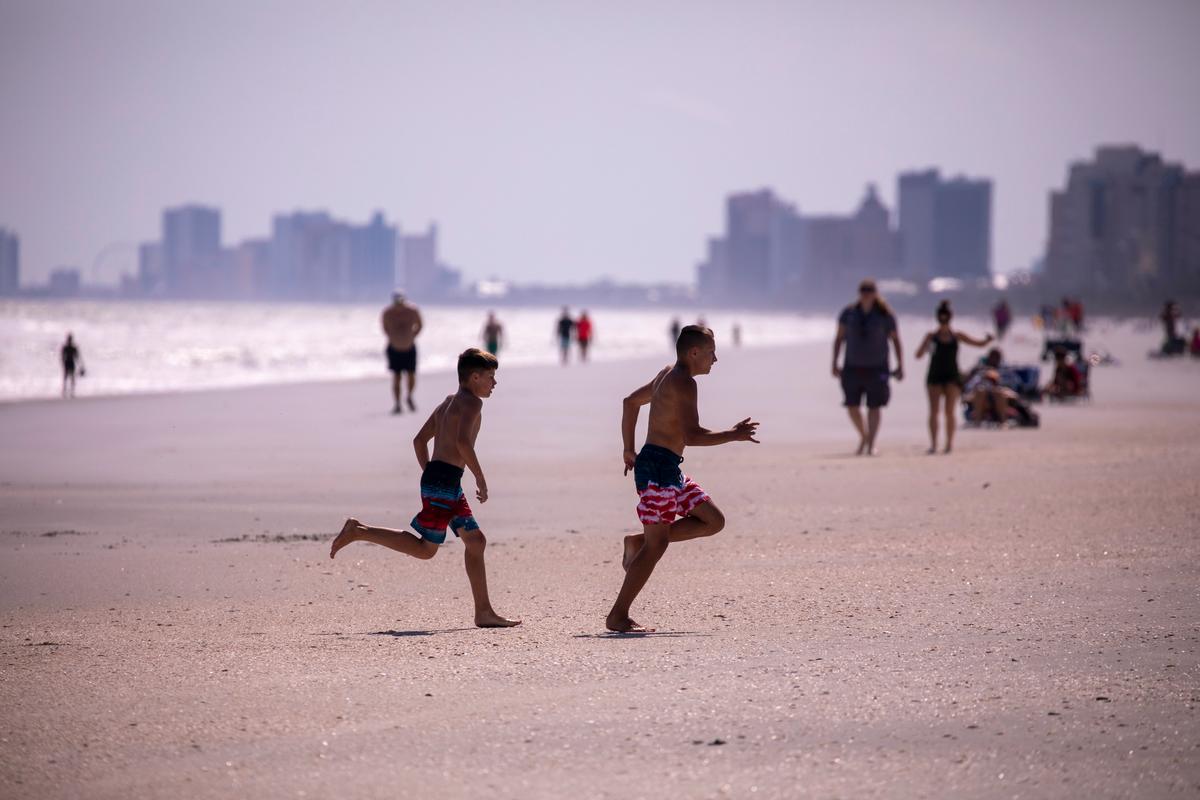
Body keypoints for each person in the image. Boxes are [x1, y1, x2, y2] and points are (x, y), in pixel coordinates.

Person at [330, 349, 520, 629]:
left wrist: (431, 475)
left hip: (443, 481)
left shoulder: (447, 403)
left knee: (476, 542)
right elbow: (462, 443)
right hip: (445, 482)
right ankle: (359, 531)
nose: (494, 383)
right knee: (426, 549)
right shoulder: (472, 404)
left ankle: (484, 613)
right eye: (490, 377)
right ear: (475, 377)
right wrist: (479, 477)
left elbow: (419, 441)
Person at [605, 325, 759, 633]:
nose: (715, 359)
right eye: (712, 353)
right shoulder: (684, 383)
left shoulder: (666, 374)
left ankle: (638, 541)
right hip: (657, 468)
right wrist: (733, 435)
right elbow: (692, 435)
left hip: (668, 466)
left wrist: (628, 449)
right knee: (658, 545)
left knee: (713, 520)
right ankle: (617, 615)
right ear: (694, 353)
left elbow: (629, 402)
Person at [832, 279, 903, 456]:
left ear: (875, 292)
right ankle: (864, 435)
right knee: (851, 405)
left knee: (875, 406)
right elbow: (839, 338)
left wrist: (900, 365)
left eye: (869, 290)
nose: (866, 293)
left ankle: (871, 444)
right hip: (852, 367)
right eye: (863, 290)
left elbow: (895, 340)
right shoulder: (848, 313)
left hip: (878, 367)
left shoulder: (885, 314)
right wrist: (834, 362)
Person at [915, 300, 993, 454]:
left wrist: (987, 340)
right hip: (935, 376)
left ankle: (948, 444)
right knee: (935, 411)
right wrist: (926, 348)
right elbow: (918, 355)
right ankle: (935, 444)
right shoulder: (932, 336)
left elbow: (978, 344)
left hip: (951, 376)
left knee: (948, 412)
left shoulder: (956, 335)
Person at [381, 292, 423, 414]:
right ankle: (397, 403)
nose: (399, 304)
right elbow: (385, 328)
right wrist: (393, 337)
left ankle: (409, 396)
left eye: (401, 302)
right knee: (397, 376)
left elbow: (420, 325)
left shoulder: (412, 310)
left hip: (409, 347)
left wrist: (412, 336)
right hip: (394, 348)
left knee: (411, 374)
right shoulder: (388, 312)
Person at [60, 333, 84, 398]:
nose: (69, 340)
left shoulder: (70, 347)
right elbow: (63, 356)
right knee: (67, 377)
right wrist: (80, 365)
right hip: (68, 363)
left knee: (70, 377)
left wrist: (80, 365)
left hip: (69, 363)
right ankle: (66, 392)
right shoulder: (68, 347)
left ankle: (70, 392)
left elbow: (77, 357)